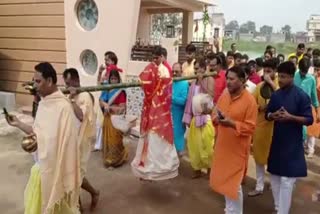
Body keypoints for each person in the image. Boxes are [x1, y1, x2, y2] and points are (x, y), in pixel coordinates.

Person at [7, 62, 81, 213]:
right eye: (34, 81)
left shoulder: (64, 107)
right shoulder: (44, 104)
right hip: (40, 171)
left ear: (49, 81)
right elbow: (37, 133)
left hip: (55, 173)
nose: (35, 85)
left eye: (38, 81)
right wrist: (19, 124)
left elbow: (68, 145)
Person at [266, 61, 313, 214]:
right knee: (274, 177)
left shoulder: (302, 96)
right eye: (279, 76)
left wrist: (291, 117)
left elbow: (309, 119)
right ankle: (279, 207)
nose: (280, 80)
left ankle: (282, 212)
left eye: (284, 77)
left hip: (292, 144)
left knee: (287, 181)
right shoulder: (276, 95)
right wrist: (273, 115)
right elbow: (268, 114)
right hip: (277, 142)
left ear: (292, 77)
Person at [210, 65, 258, 214]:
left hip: (237, 150)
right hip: (222, 146)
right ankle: (229, 210)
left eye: (232, 79)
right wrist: (216, 118)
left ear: (242, 80)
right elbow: (214, 113)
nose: (228, 82)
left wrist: (232, 123)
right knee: (224, 181)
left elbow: (250, 128)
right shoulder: (225, 96)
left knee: (234, 185)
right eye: (227, 79)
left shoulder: (250, 101)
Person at [131, 46, 179, 181]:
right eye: (153, 57)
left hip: (159, 109)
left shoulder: (165, 70)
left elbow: (164, 91)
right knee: (148, 138)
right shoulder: (152, 67)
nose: (154, 60)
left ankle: (157, 170)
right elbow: (145, 83)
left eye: (157, 57)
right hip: (151, 108)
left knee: (157, 138)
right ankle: (146, 167)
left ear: (162, 57)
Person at [63, 68, 100, 211]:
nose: (66, 87)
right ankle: (88, 197)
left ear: (76, 81)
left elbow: (80, 116)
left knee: (75, 177)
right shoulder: (69, 96)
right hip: (69, 141)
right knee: (71, 176)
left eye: (68, 83)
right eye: (65, 84)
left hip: (81, 142)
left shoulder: (84, 96)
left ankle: (81, 204)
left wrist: (72, 100)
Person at [248, 59, 279, 197]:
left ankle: (275, 186)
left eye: (269, 71)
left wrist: (272, 84)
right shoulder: (259, 86)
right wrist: (261, 107)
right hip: (261, 127)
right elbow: (251, 105)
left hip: (276, 129)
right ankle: (259, 186)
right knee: (259, 158)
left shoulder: (279, 85)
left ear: (275, 72)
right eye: (265, 71)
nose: (266, 74)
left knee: (274, 158)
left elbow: (283, 99)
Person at [183, 57, 215, 179]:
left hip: (206, 118)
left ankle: (210, 171)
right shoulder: (193, 82)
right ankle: (196, 170)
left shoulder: (210, 78)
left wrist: (202, 81)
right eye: (195, 69)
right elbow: (189, 101)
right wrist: (188, 117)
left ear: (203, 68)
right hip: (194, 118)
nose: (196, 72)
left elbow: (211, 96)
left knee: (207, 146)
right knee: (194, 146)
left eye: (197, 69)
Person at [100, 69, 128, 167]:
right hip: (107, 119)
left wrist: (110, 107)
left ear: (118, 79)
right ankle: (108, 160)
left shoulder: (121, 91)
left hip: (116, 119)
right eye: (111, 79)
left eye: (115, 79)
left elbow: (122, 108)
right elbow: (101, 100)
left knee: (115, 140)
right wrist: (105, 104)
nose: (113, 81)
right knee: (107, 140)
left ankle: (117, 159)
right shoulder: (107, 88)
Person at [294, 58, 320, 158]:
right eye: (302, 71)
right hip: (293, 108)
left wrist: (317, 111)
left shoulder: (311, 79)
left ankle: (299, 151)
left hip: (305, 110)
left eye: (305, 71)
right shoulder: (294, 76)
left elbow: (314, 96)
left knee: (304, 132)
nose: (303, 74)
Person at [172, 63, 189, 157]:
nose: (174, 73)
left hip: (179, 115)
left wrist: (171, 98)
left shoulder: (184, 83)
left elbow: (183, 101)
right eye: (173, 71)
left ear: (181, 72)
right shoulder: (170, 82)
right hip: (169, 115)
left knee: (178, 138)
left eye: (177, 71)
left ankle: (177, 162)